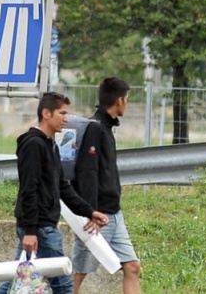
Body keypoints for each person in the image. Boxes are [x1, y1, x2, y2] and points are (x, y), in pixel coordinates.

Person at [0, 92, 108, 294]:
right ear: (46, 113)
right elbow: (29, 189)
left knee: (17, 277)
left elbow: (62, 187)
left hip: (43, 225)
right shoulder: (33, 144)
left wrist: (89, 212)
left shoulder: (50, 143)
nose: (66, 118)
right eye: (62, 113)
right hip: (39, 227)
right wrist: (30, 231)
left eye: (67, 113)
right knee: (63, 284)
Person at [71, 77, 141, 294]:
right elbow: (87, 172)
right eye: (126, 99)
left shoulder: (106, 128)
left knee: (132, 266)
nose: (126, 104)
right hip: (98, 215)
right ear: (119, 100)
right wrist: (91, 211)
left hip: (114, 213)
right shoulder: (95, 128)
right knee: (78, 273)